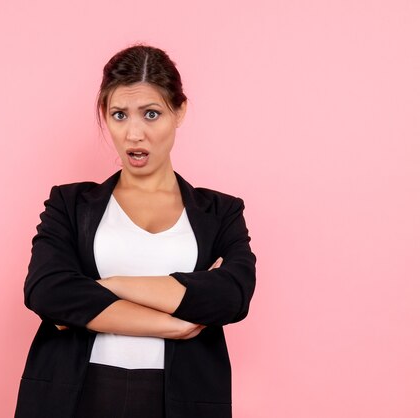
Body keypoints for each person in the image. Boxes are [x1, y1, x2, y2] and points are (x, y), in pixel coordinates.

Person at [14, 44, 256, 418]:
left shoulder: (220, 213)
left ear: (180, 112)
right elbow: (46, 291)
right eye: (119, 115)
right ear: (105, 116)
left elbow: (232, 295)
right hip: (76, 395)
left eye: (151, 114)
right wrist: (172, 325)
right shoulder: (69, 204)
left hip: (180, 400)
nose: (134, 133)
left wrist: (107, 286)